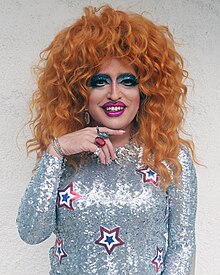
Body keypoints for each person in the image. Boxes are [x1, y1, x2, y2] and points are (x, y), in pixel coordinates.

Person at [17, 5, 197, 275]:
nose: (114, 94)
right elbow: (31, 233)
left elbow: (182, 248)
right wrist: (56, 151)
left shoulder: (169, 156)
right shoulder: (63, 156)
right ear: (79, 91)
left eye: (127, 81)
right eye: (100, 81)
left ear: (145, 90)